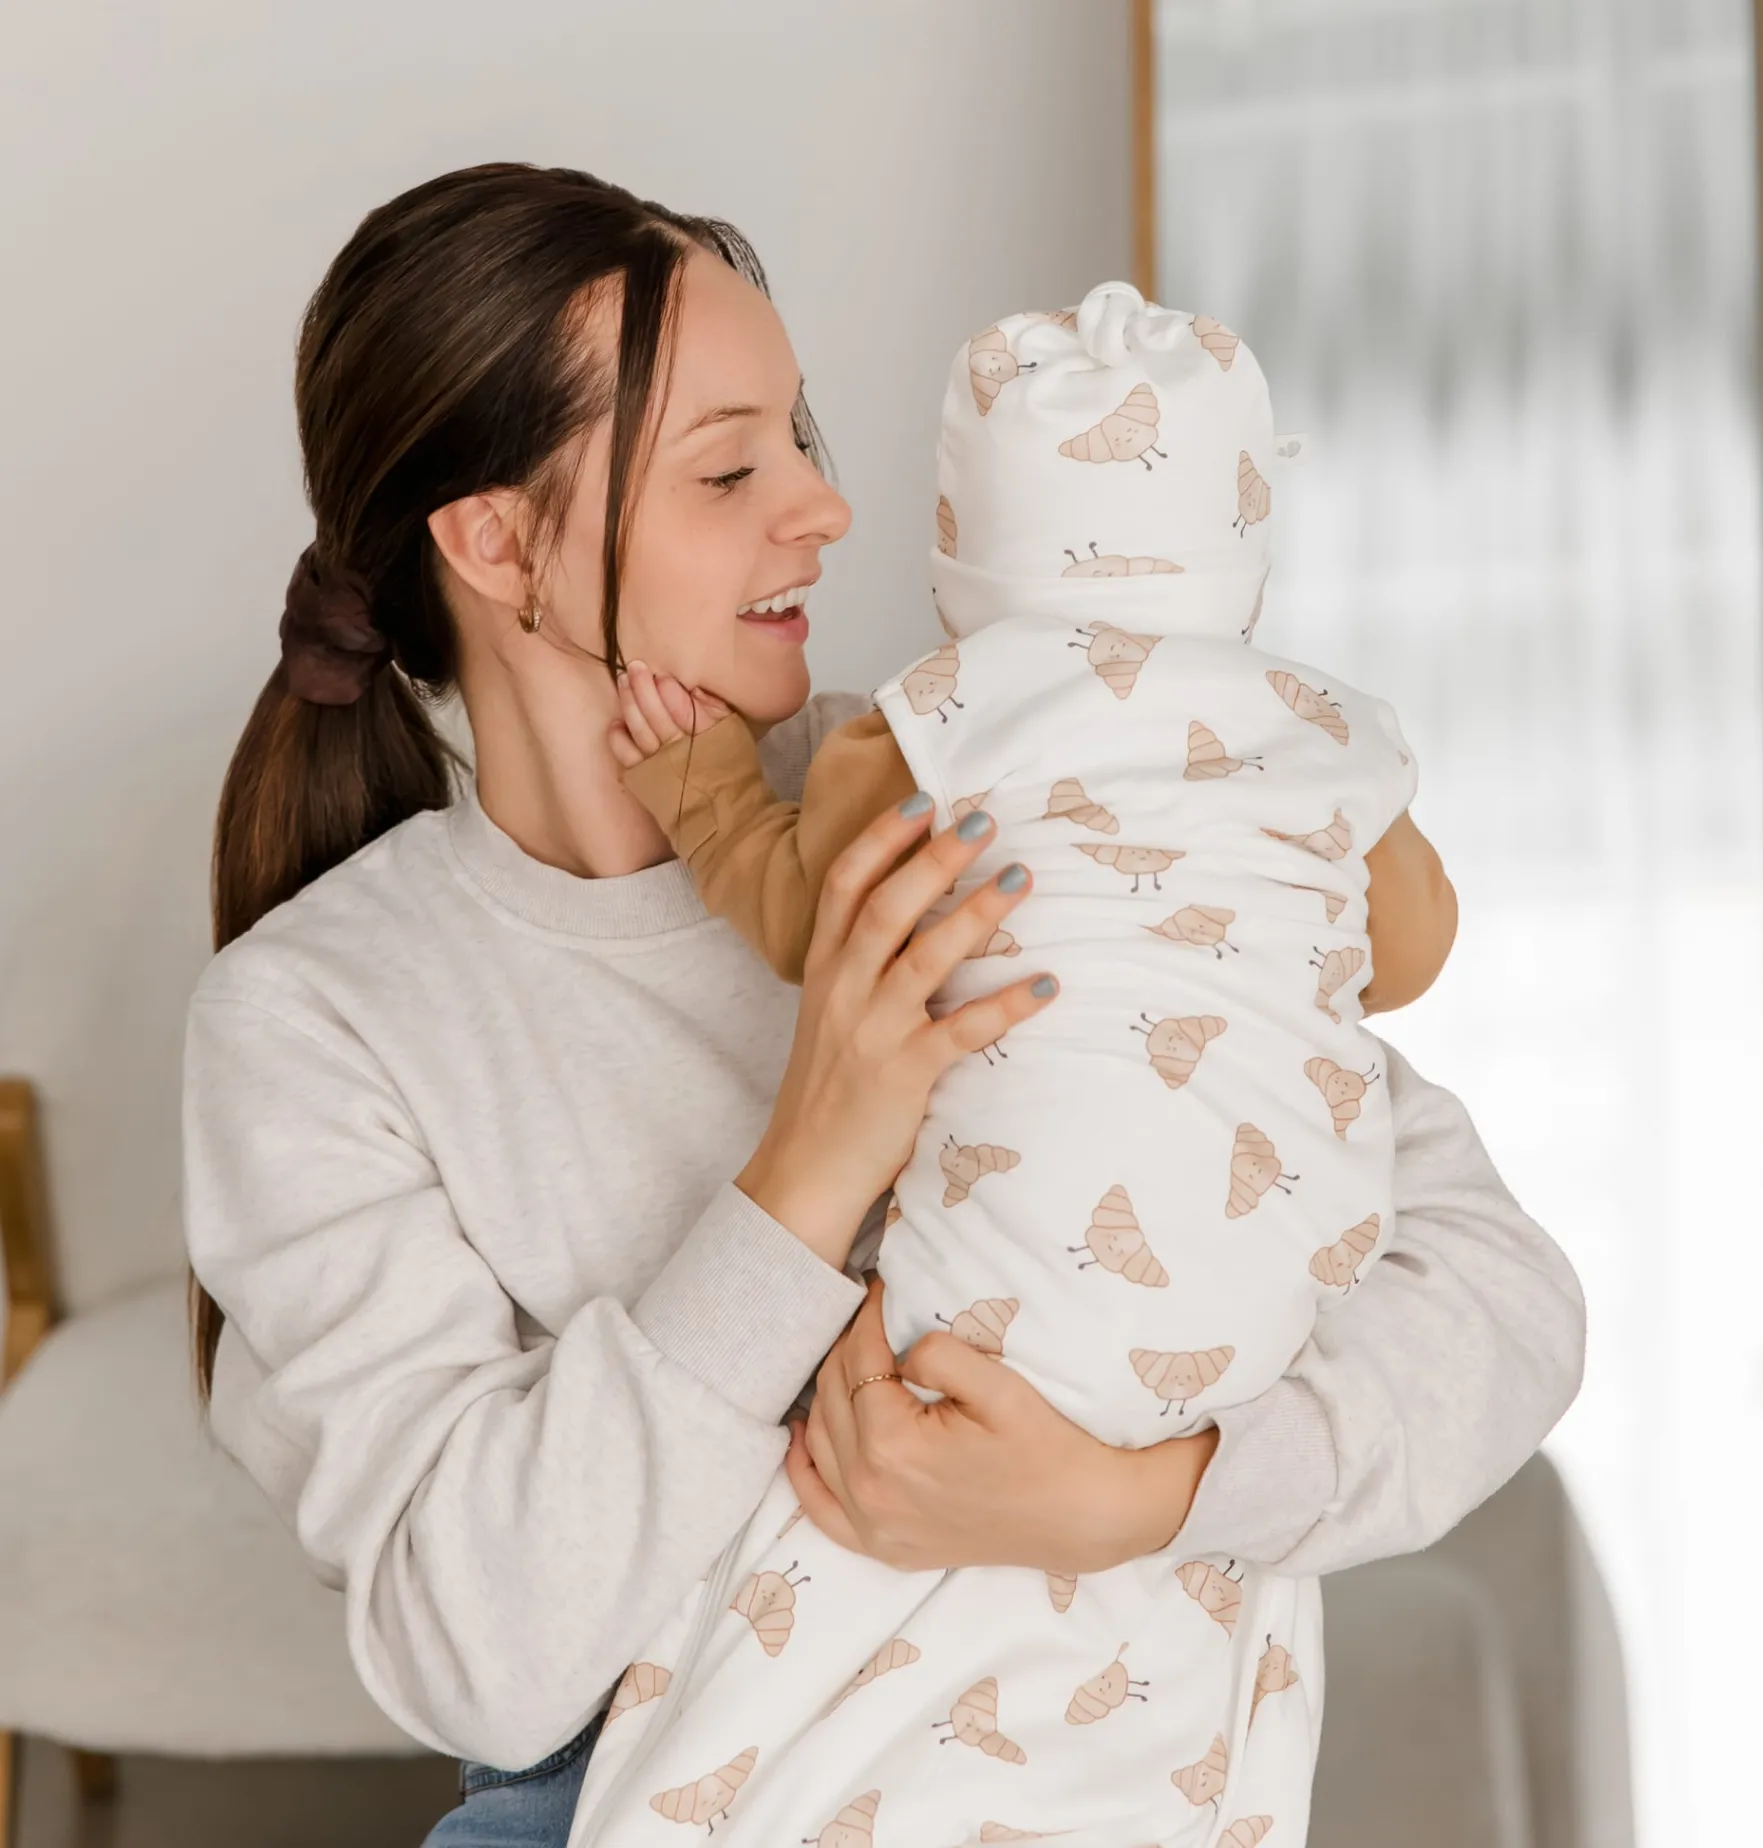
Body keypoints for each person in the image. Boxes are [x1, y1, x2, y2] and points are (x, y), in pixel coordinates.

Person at [180, 164, 1583, 1848]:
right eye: (728, 469)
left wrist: (1140, 1500)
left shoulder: (982, 785)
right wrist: (812, 1161)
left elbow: (1501, 1297)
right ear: (494, 543)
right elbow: (479, 1657)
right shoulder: (317, 1017)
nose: (825, 508)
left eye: (803, 438)